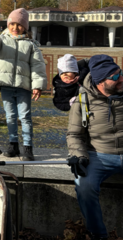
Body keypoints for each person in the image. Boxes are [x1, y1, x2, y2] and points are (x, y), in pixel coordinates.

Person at [0, 8, 47, 161]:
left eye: (19, 25)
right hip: (6, 85)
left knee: (25, 116)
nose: (15, 28)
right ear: (8, 24)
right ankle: (13, 144)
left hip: (24, 86)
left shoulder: (31, 45)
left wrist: (37, 85)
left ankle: (28, 147)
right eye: (12, 24)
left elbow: (38, 66)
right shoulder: (1, 40)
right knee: (10, 116)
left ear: (25, 27)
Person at [67, 54, 123, 240]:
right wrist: (78, 155)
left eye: (120, 73)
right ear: (100, 82)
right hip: (99, 155)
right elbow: (75, 134)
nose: (120, 78)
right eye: (114, 77)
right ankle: (98, 234)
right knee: (84, 187)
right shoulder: (83, 100)